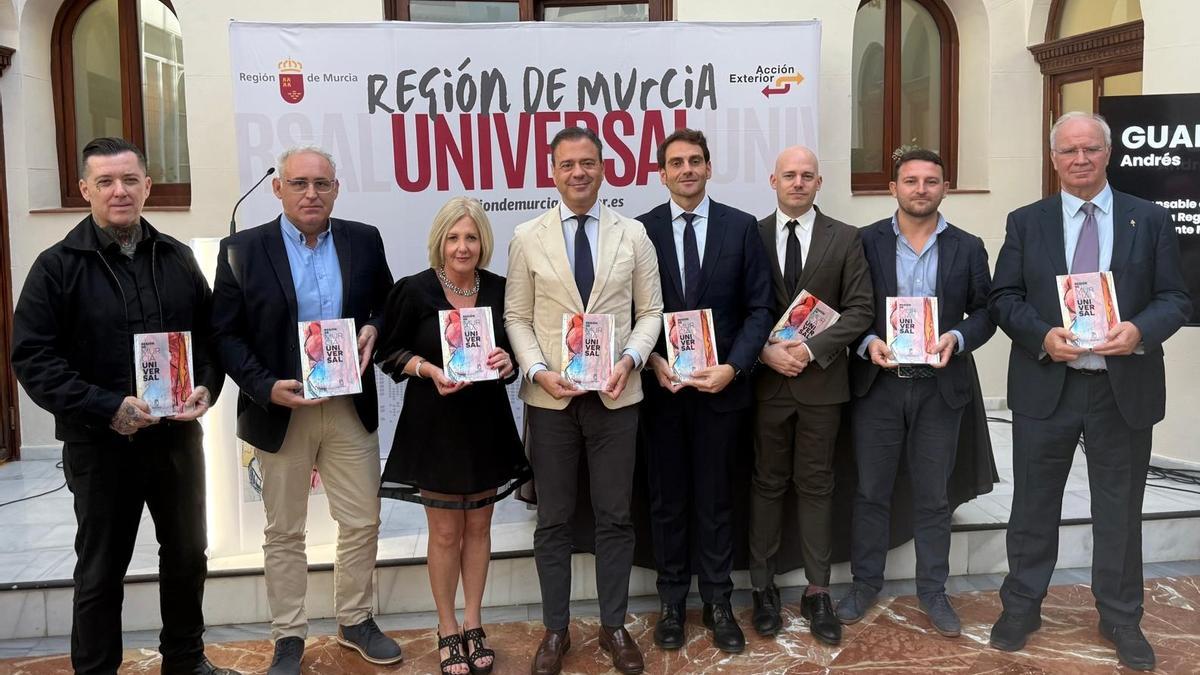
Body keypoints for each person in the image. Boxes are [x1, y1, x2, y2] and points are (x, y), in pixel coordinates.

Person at [11, 137, 236, 675]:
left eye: (130, 180)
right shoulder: (57, 267)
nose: (120, 191)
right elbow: (33, 358)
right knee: (100, 569)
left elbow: (210, 339)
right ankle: (95, 670)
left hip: (177, 440)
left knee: (187, 556)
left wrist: (205, 386)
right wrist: (107, 406)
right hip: (99, 444)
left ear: (147, 186)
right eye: (106, 182)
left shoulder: (178, 258)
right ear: (86, 189)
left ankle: (185, 660)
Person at [987, 112, 1190, 671]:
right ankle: (1022, 607)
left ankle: (1122, 617)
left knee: (1119, 511)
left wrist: (1140, 331)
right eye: (1069, 150)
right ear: (1053, 159)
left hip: (1121, 389)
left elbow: (1175, 297)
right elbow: (1003, 297)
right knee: (1032, 506)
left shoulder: (1147, 220)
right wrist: (1042, 336)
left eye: (1091, 149)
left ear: (1108, 154)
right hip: (1046, 384)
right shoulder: (1026, 222)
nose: (1081, 159)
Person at [211, 146, 399, 675]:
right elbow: (224, 333)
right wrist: (264, 386)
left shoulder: (364, 240)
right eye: (299, 183)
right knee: (285, 530)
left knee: (362, 519)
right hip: (281, 408)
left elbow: (386, 301)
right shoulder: (243, 249)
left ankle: (355, 620)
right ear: (278, 188)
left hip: (346, 406)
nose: (311, 193)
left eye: (322, 184)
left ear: (336, 189)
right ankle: (289, 634)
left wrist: (374, 328)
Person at [504, 126, 663, 675]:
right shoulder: (527, 236)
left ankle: (614, 626)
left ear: (603, 168)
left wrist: (631, 361)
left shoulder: (633, 235)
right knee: (553, 520)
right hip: (551, 402)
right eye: (568, 164)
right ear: (553, 172)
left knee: (615, 517)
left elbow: (651, 314)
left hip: (617, 398)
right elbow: (517, 318)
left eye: (589, 163)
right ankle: (555, 630)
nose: (579, 172)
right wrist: (538, 370)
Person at [837, 149, 995, 636]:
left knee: (933, 496)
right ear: (894, 188)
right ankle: (865, 583)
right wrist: (866, 343)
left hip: (939, 389)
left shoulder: (968, 247)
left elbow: (987, 311)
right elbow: (849, 307)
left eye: (931, 181)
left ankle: (933, 590)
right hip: (879, 386)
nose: (921, 189)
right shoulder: (864, 243)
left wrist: (958, 337)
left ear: (944, 187)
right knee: (870, 492)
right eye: (911, 180)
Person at [374, 196, 532, 675]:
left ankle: (473, 622)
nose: (462, 247)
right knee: (445, 532)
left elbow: (517, 347)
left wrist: (509, 362)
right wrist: (427, 369)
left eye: (471, 237)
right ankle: (446, 628)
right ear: (439, 242)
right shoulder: (414, 290)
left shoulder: (503, 290)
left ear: (483, 241)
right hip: (434, 424)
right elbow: (388, 352)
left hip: (485, 423)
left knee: (480, 528)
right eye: (453, 237)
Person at [635, 129, 772, 654]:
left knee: (717, 501)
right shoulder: (640, 231)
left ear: (709, 168)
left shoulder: (741, 229)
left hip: (722, 392)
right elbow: (629, 311)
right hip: (663, 391)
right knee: (667, 501)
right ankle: (671, 602)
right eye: (676, 162)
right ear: (662, 173)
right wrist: (651, 359)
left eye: (695, 161)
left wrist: (734, 367)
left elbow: (759, 309)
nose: (686, 169)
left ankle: (718, 601)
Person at [749, 145, 873, 646]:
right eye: (789, 175)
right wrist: (763, 352)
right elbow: (736, 308)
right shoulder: (749, 235)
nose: (798, 183)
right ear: (772, 180)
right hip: (765, 385)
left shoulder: (845, 238)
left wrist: (809, 349)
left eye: (807, 176)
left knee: (818, 486)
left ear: (819, 183)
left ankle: (817, 591)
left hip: (822, 385)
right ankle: (762, 590)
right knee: (766, 485)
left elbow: (861, 309)